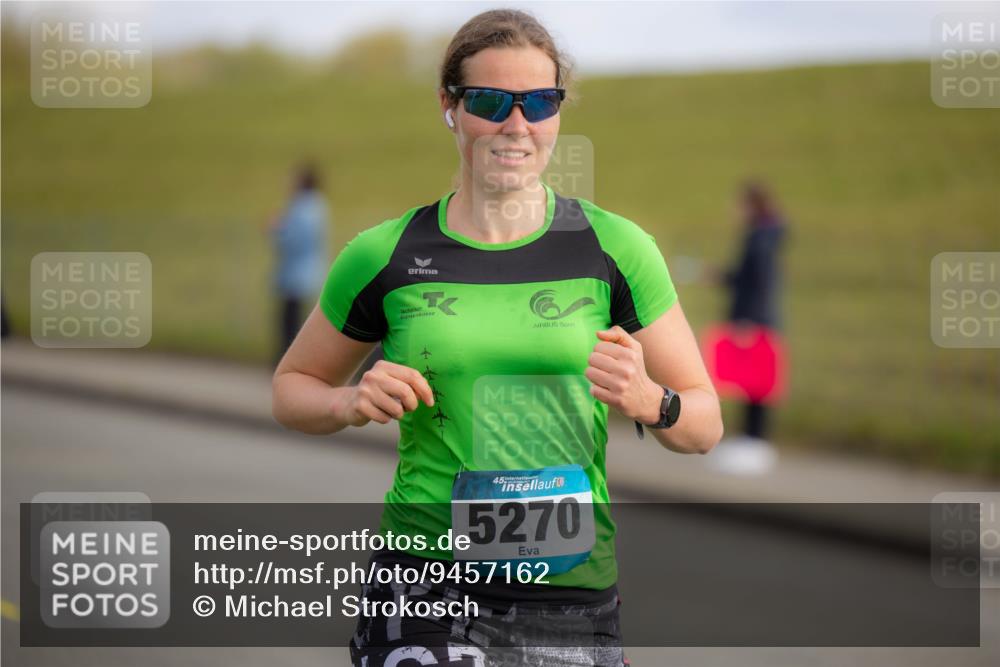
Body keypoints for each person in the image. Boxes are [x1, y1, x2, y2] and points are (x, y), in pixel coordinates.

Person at [272, 9, 723, 666]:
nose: (518, 125)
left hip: (569, 591)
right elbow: (292, 387)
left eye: (541, 102)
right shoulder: (383, 254)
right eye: (490, 102)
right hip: (427, 584)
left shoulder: (616, 249)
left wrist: (653, 400)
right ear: (449, 107)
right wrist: (349, 402)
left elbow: (704, 424)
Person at [709, 180, 787, 475]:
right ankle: (751, 442)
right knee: (749, 382)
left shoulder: (760, 239)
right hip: (759, 318)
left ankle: (755, 443)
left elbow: (759, 283)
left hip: (755, 321)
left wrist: (748, 320)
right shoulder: (763, 236)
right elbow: (747, 278)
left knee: (755, 384)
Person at [269, 162, 329, 363]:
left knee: (290, 324)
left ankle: (287, 364)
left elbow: (293, 240)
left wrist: (277, 229)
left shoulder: (301, 207)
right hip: (310, 273)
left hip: (295, 276)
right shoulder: (319, 205)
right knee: (300, 322)